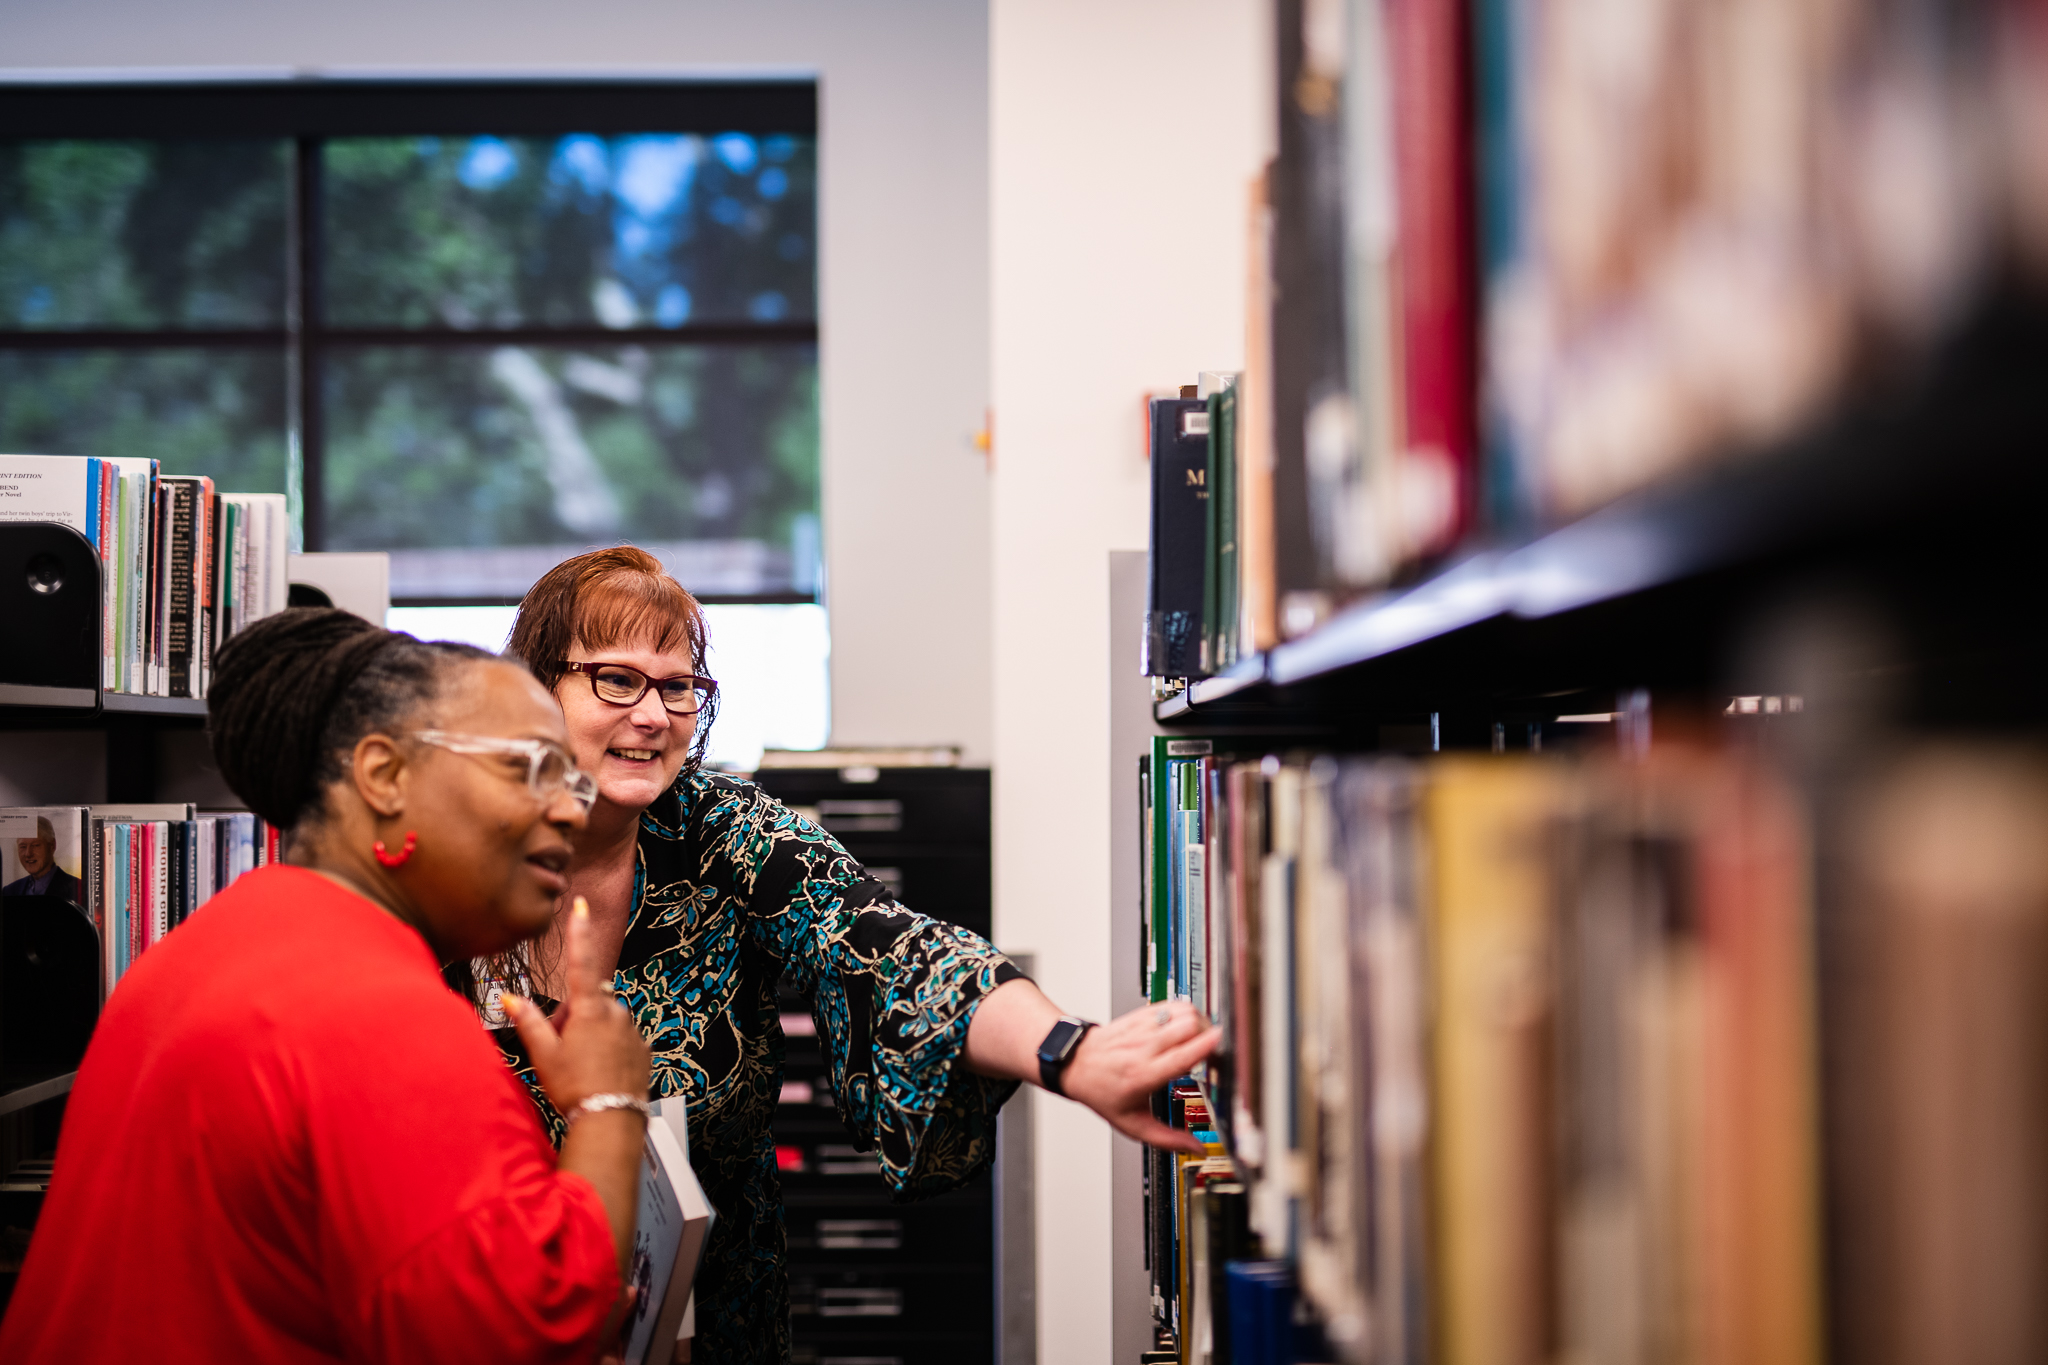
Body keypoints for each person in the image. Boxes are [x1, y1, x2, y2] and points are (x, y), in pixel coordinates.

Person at [482, 547, 1221, 1364]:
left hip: (714, 1323)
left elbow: (889, 945)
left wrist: (1068, 1050)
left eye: (678, 685)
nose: (654, 714)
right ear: (537, 688)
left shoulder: (720, 830)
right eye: (616, 679)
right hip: (489, 1314)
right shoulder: (462, 851)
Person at [0, 609, 653, 1364]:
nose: (573, 807)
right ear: (384, 774)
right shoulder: (377, 1015)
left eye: (571, 778)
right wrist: (609, 1103)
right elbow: (528, 1332)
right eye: (530, 767)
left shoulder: (208, 946)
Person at [4, 815, 81, 904]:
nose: (28, 854)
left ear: (52, 846)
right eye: (23, 846)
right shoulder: (9, 892)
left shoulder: (77, 889)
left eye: (36, 845)